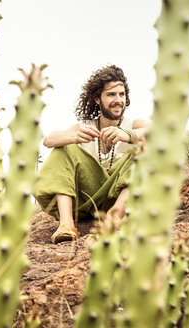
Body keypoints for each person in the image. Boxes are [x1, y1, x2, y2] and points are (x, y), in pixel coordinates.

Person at [33, 65, 150, 243]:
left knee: (146, 147)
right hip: (85, 201)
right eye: (111, 94)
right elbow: (49, 139)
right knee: (64, 147)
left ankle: (115, 215)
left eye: (121, 94)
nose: (118, 100)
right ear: (97, 98)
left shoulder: (131, 124)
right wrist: (73, 136)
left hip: (116, 197)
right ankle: (66, 225)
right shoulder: (85, 126)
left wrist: (127, 135)